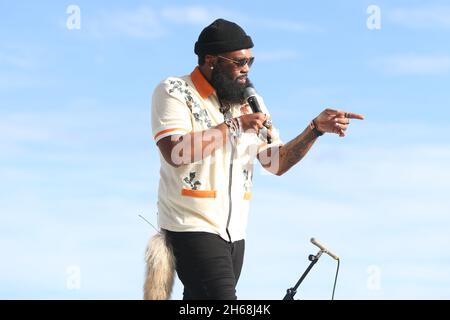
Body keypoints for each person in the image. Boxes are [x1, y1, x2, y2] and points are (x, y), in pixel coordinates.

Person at [144, 18, 364, 300]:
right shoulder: (174, 91)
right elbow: (176, 152)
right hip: (191, 225)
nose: (246, 69)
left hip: (235, 235)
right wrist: (235, 125)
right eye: (239, 62)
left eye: (251, 61)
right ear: (211, 60)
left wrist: (314, 130)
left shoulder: (249, 102)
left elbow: (277, 162)